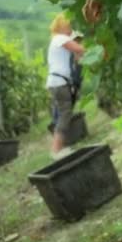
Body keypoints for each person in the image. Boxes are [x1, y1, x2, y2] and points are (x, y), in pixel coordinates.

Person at [47, 14, 86, 159]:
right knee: (65, 114)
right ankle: (56, 150)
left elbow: (76, 56)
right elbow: (80, 50)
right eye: (70, 26)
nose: (71, 29)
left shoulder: (56, 40)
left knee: (60, 114)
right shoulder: (60, 38)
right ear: (63, 26)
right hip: (59, 83)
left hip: (56, 82)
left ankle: (59, 148)